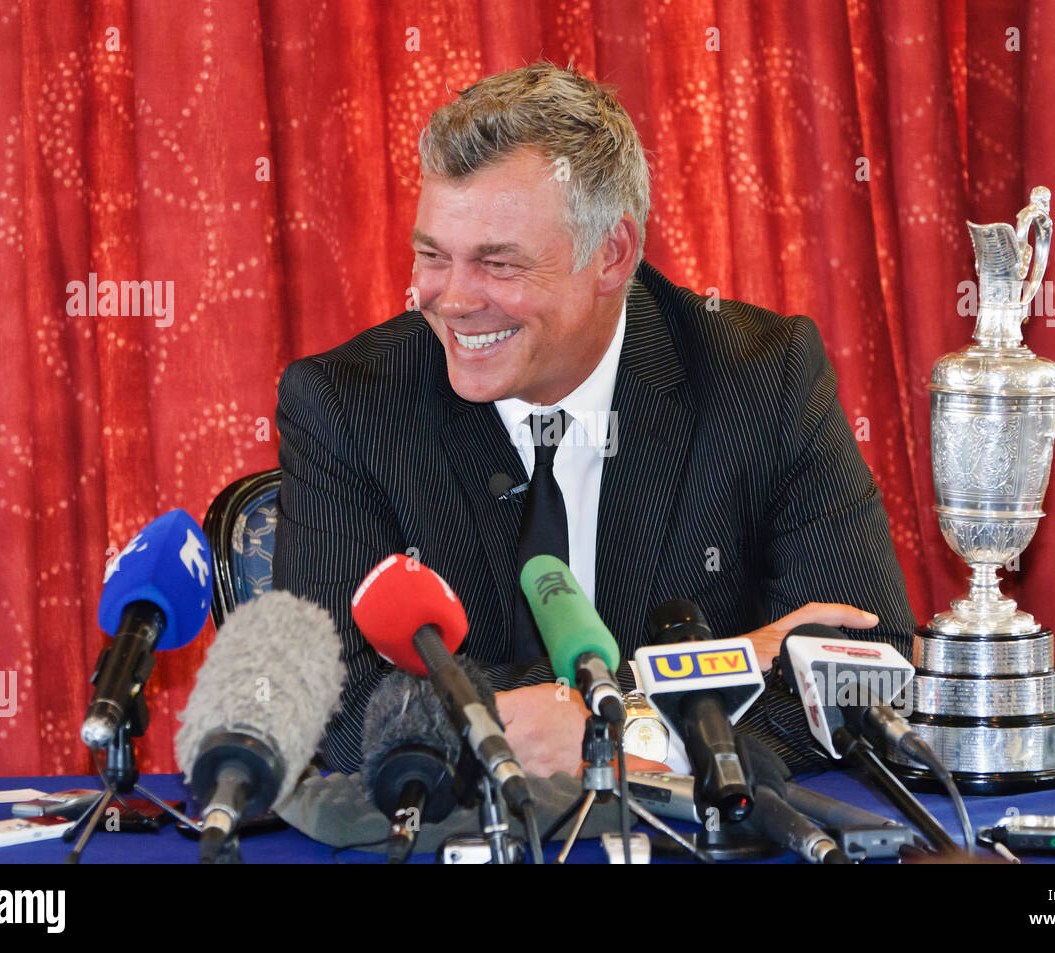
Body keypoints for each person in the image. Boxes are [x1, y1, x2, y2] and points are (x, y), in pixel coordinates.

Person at [272, 62, 917, 780]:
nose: (450, 299)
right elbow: (328, 700)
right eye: (432, 255)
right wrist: (702, 676)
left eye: (498, 263)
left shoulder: (762, 381)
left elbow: (867, 666)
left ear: (612, 254)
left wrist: (637, 739)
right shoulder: (349, 403)